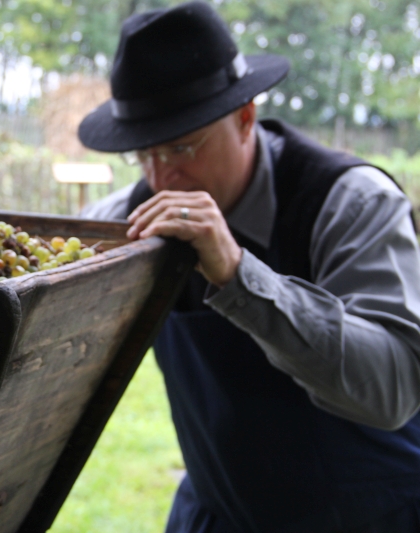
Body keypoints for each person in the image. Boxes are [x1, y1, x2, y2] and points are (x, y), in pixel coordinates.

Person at [77, 2, 420, 532]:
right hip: (225, 513)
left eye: (180, 147)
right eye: (142, 154)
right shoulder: (122, 221)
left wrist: (238, 275)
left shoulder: (350, 203)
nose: (161, 177)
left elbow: (393, 389)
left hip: (372, 515)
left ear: (244, 118)